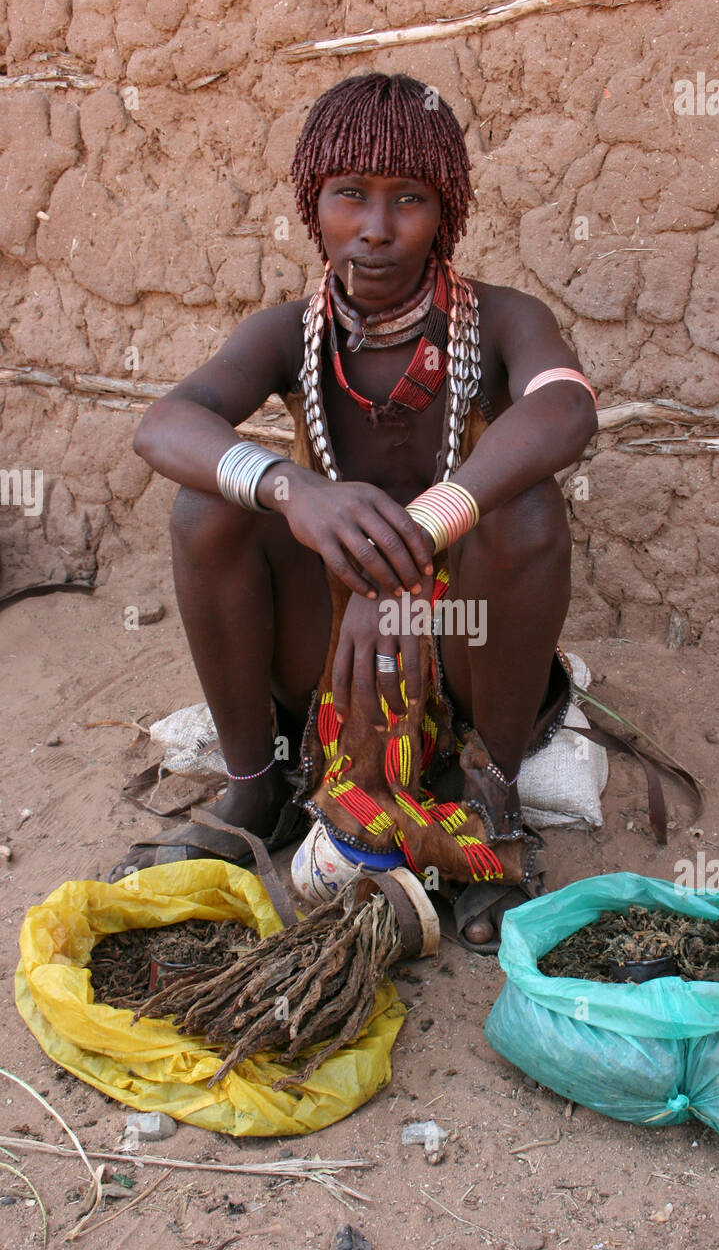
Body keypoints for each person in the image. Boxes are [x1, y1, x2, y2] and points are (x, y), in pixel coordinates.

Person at [107, 72, 598, 951]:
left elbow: (566, 409)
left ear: (444, 212)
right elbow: (164, 424)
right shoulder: (287, 333)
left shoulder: (498, 322)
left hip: (459, 644)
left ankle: (490, 796)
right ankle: (258, 785)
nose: (375, 230)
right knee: (206, 510)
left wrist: (431, 524)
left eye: (407, 199)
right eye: (349, 197)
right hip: (329, 649)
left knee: (524, 514)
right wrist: (297, 490)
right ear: (313, 204)